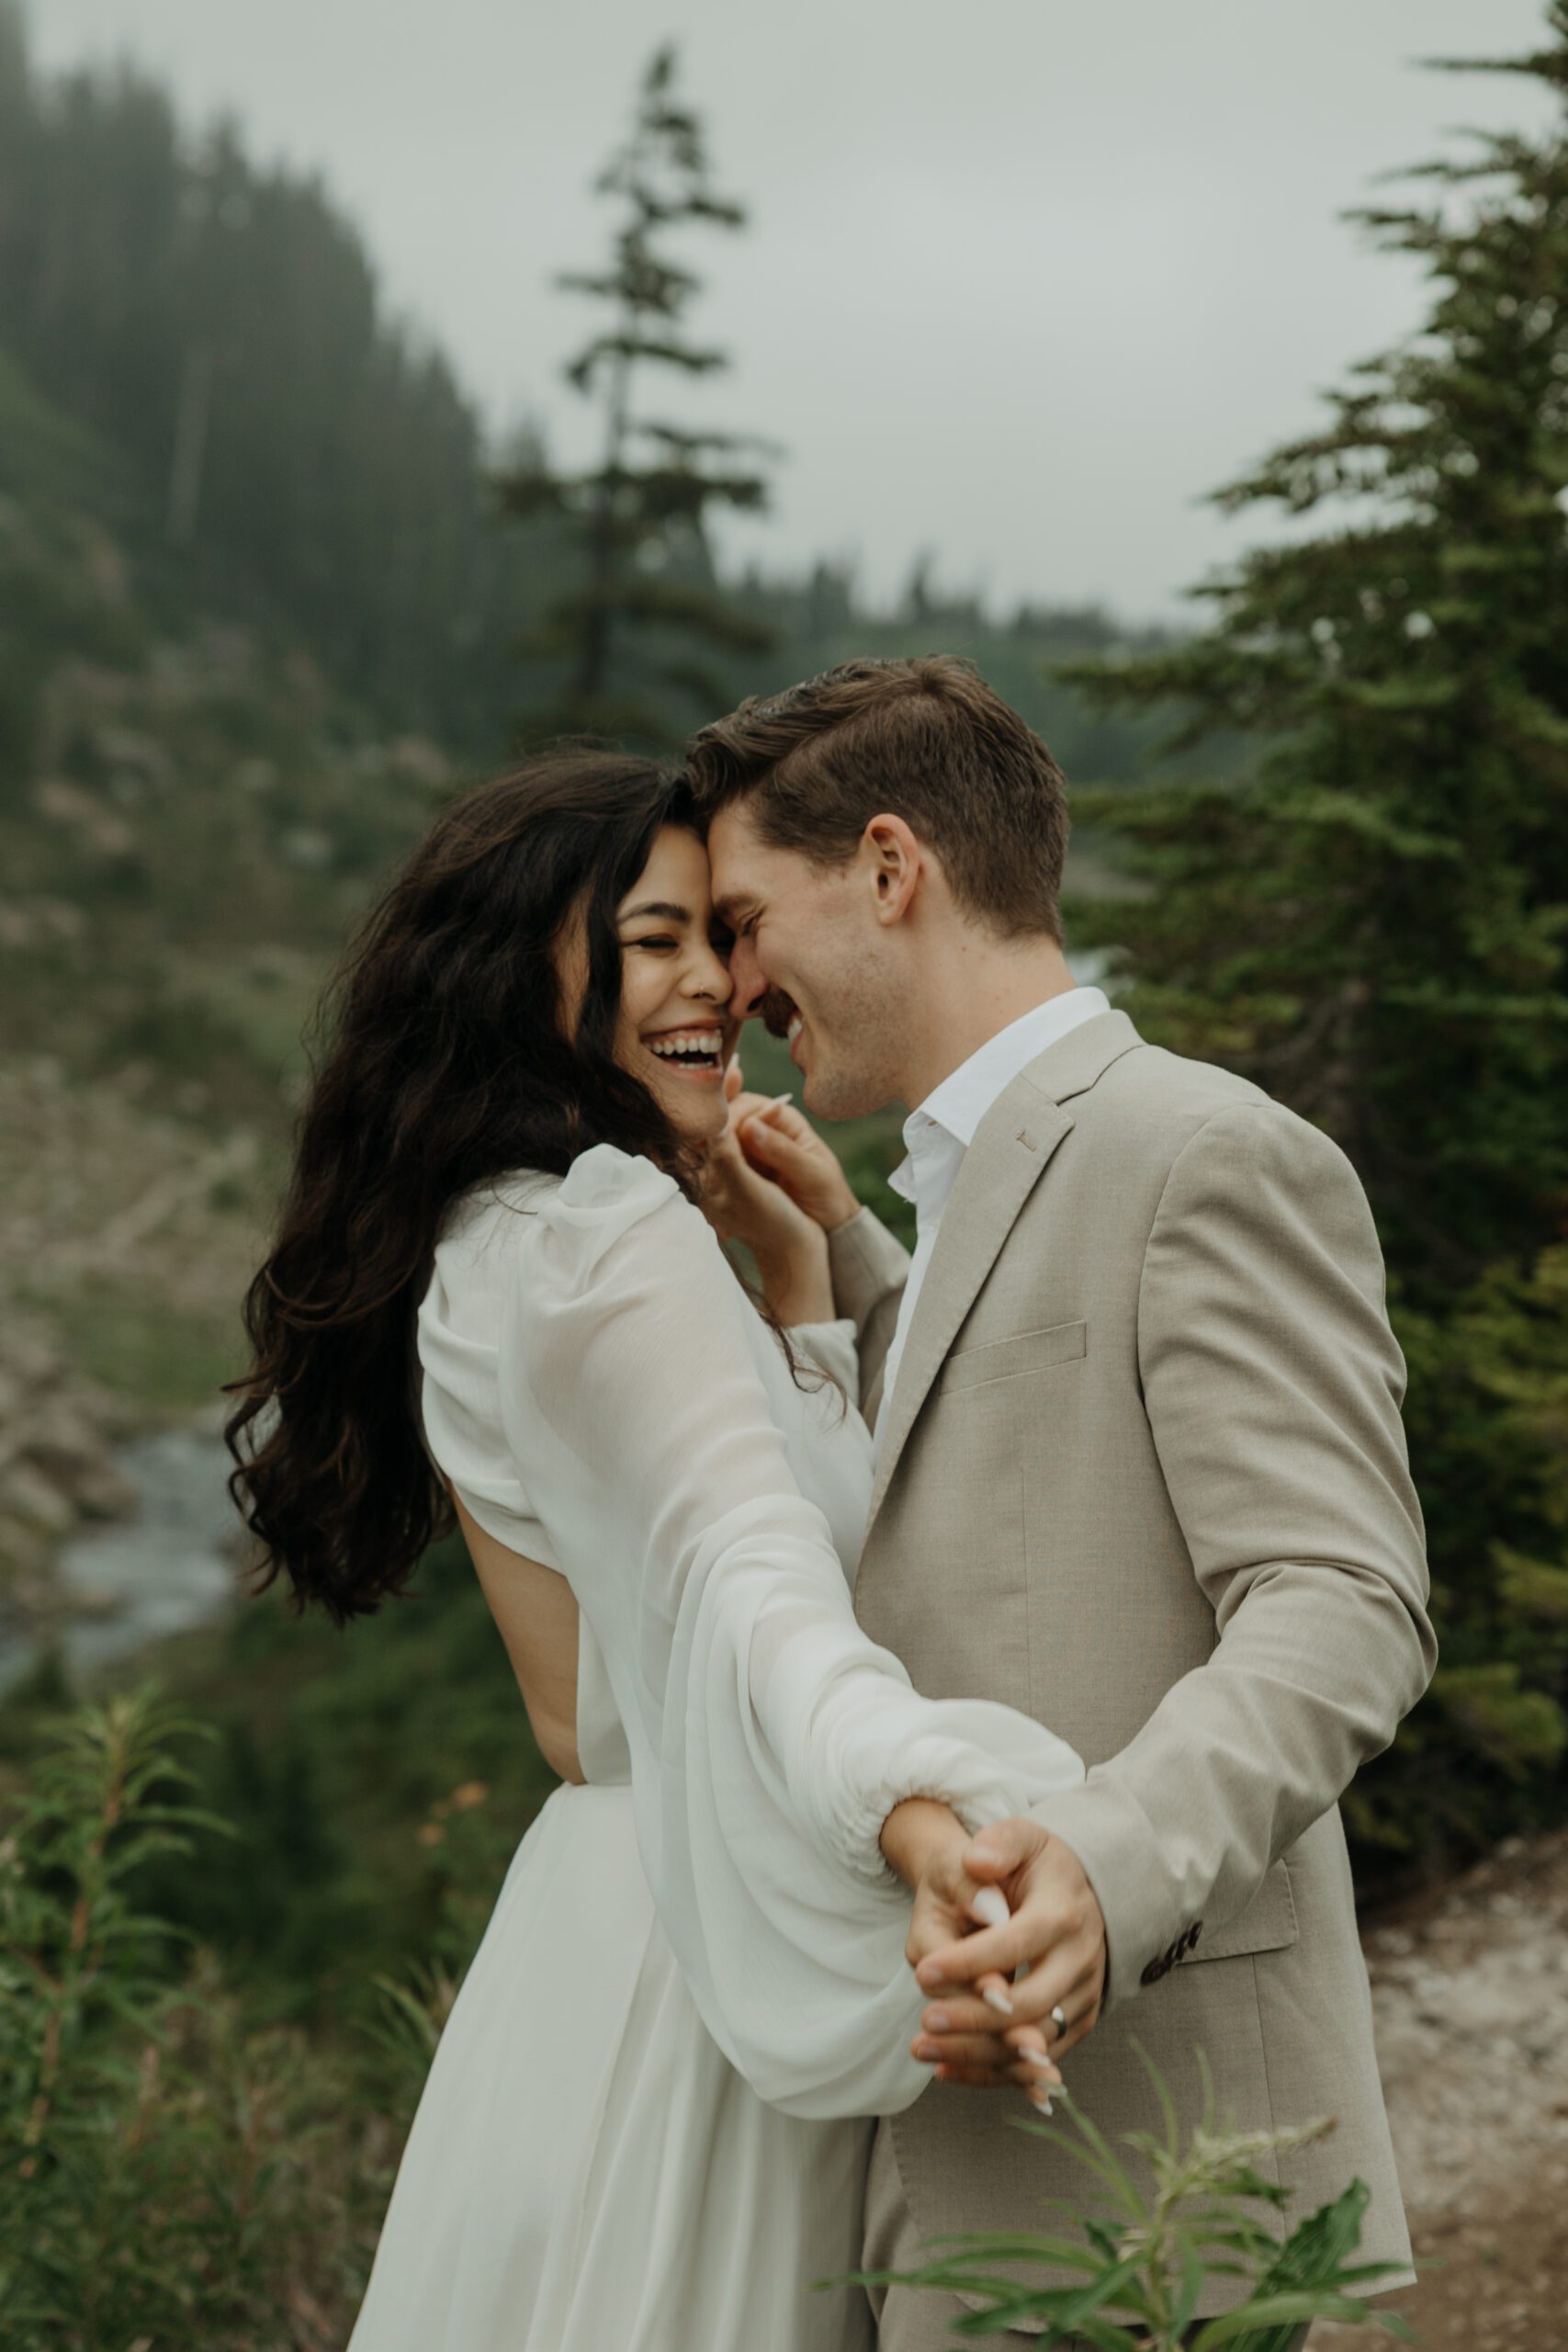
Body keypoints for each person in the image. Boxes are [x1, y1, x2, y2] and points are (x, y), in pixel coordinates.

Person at [224, 748, 1085, 2352]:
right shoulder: (614, 1234)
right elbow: (762, 1587)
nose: (722, 986)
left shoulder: (500, 1240)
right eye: (656, 940)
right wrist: (925, 1807)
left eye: (724, 936)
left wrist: (802, 1296)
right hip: (699, 1962)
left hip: (590, 1929)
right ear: (528, 971)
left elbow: (592, 1699)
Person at [689, 653, 1438, 2352]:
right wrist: (856, 1277)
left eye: (745, 922)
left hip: (1161, 2165)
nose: (733, 986)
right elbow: (1015, 1463)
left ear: (892, 870)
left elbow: (1345, 1599)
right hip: (949, 2153)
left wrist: (1108, 1862)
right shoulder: (957, 1189)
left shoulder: (1202, 1153)